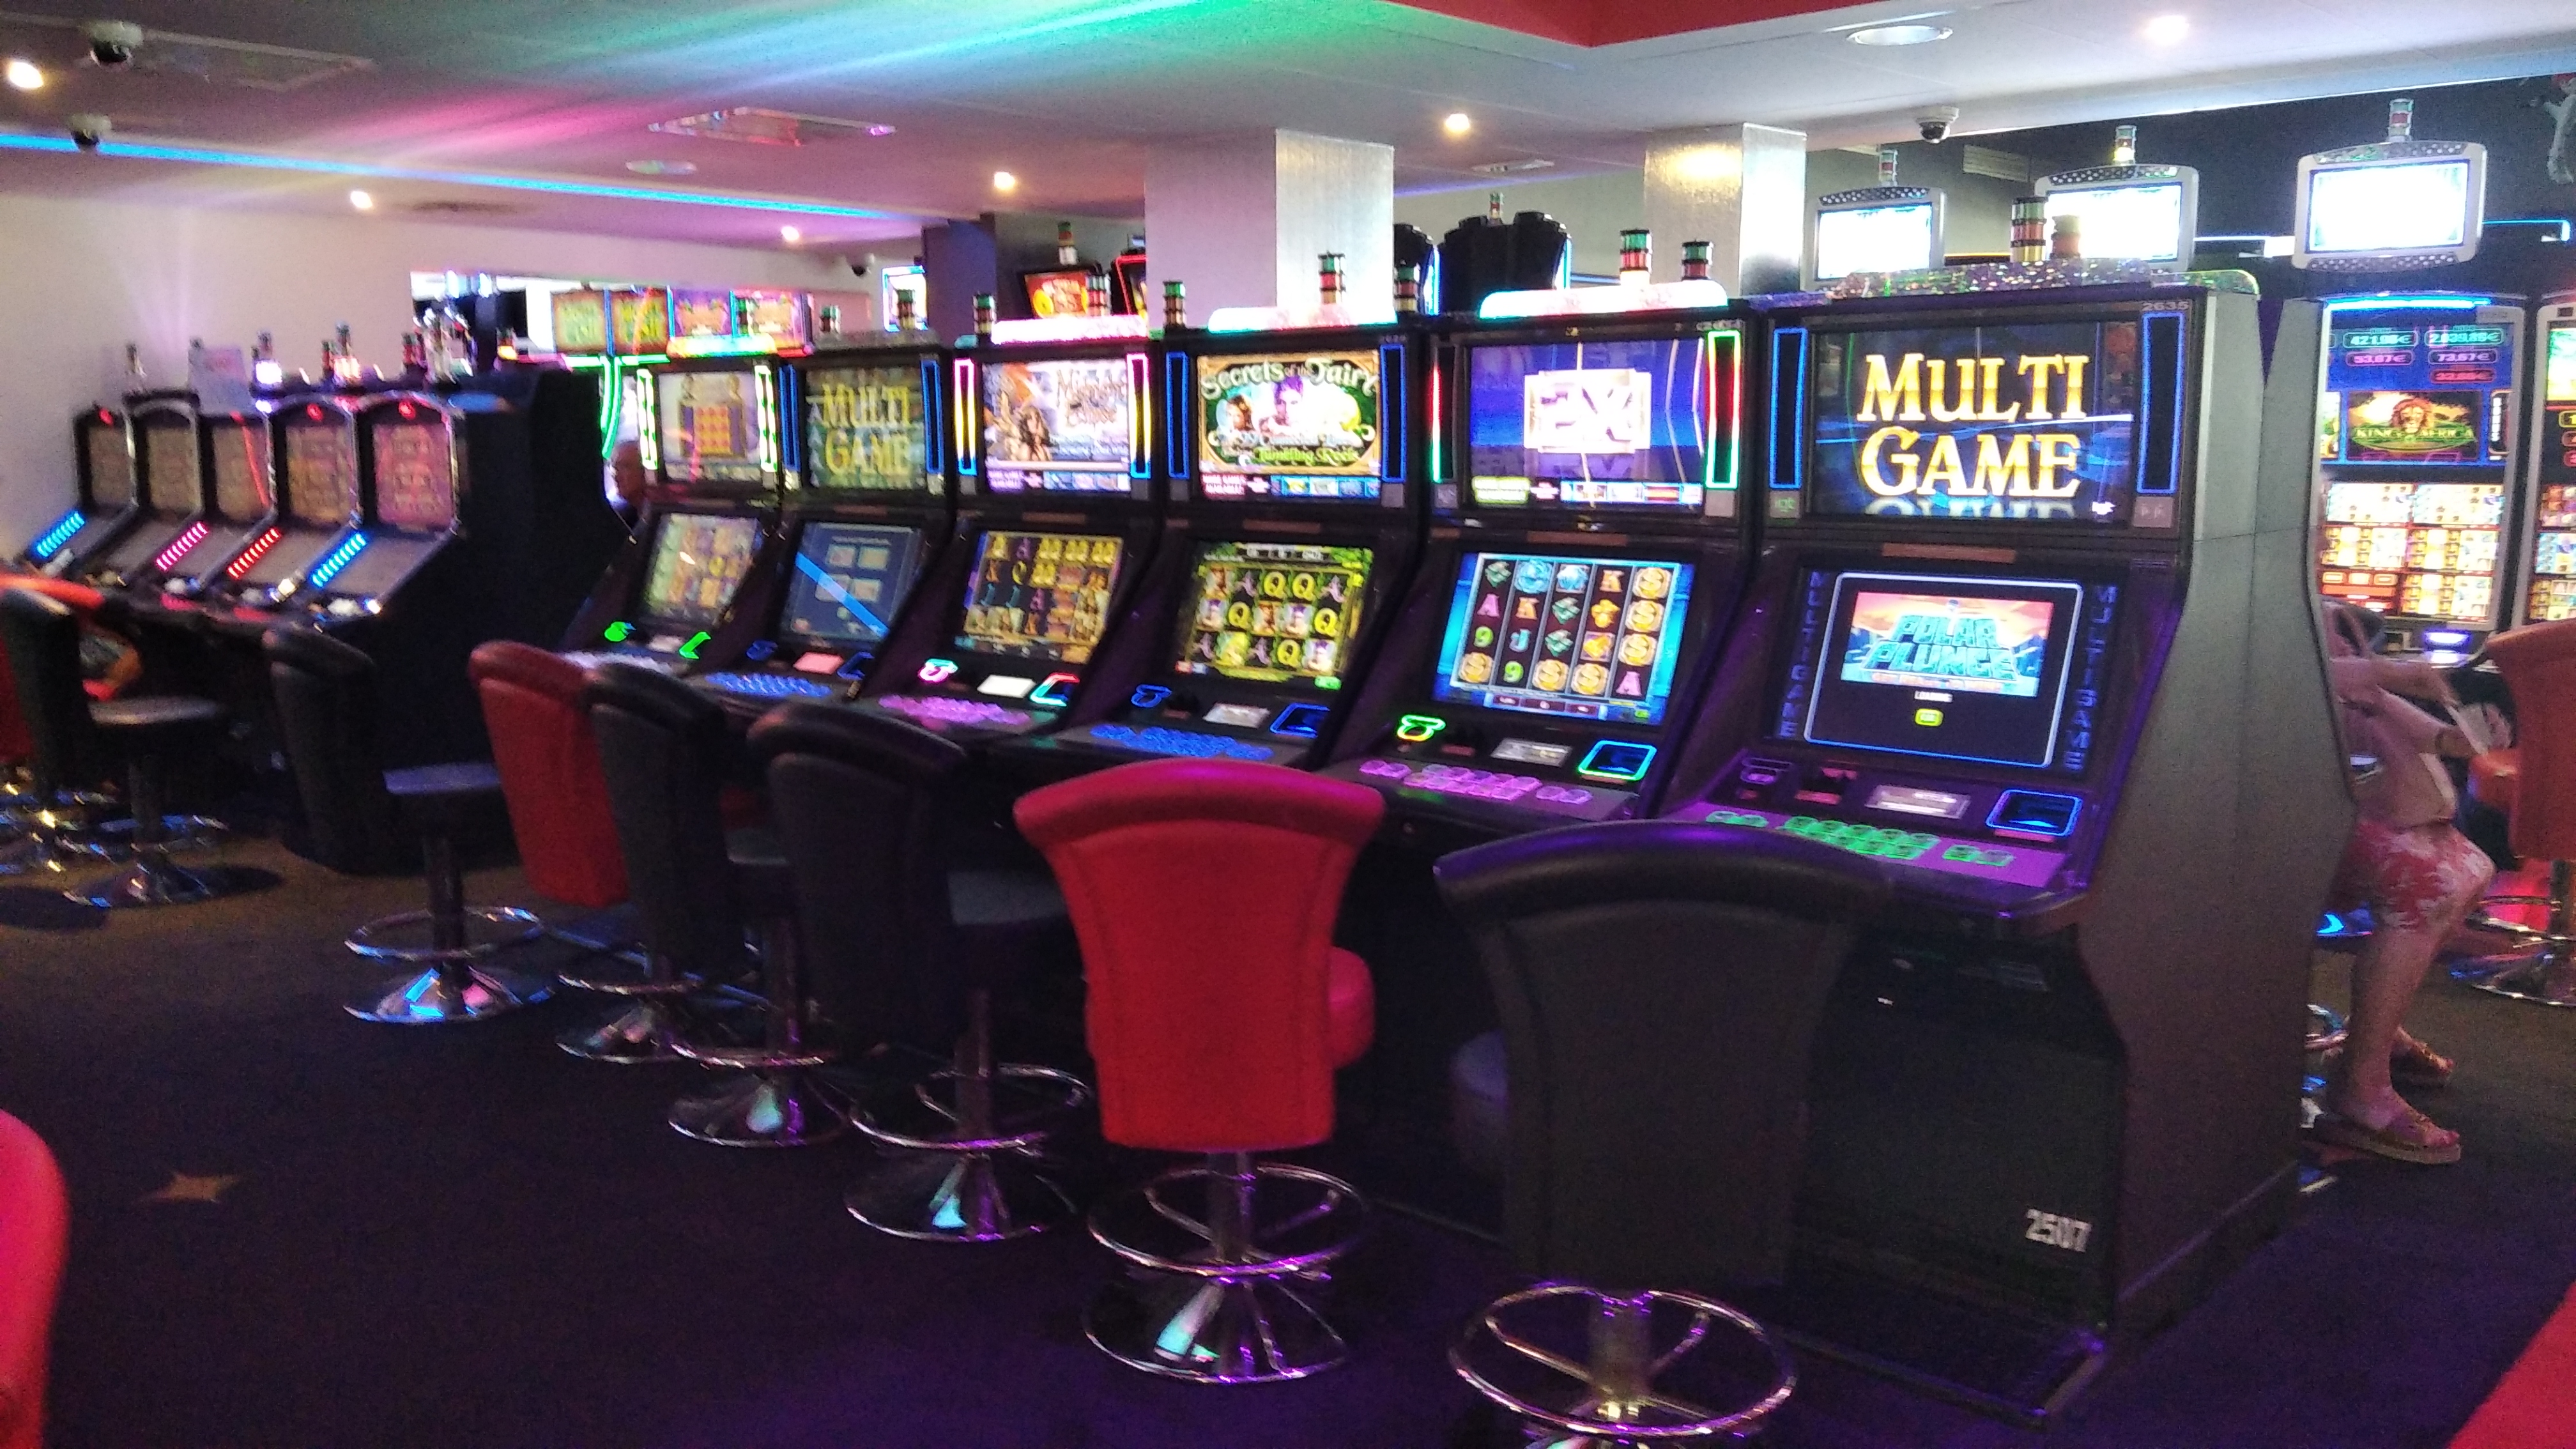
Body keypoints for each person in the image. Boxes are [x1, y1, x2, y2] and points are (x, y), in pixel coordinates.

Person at [2314, 602, 2490, 1165]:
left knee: (2469, 868)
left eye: (2349, 638)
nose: (2346, 645)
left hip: (2328, 810)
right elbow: (2301, 671)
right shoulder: (2294, 659)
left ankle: (2374, 1031)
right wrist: (2398, 671)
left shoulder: (2357, 680)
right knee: (2429, 883)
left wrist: (2472, 735)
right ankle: (2360, 1090)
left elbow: (2433, 736)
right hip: (2263, 815)